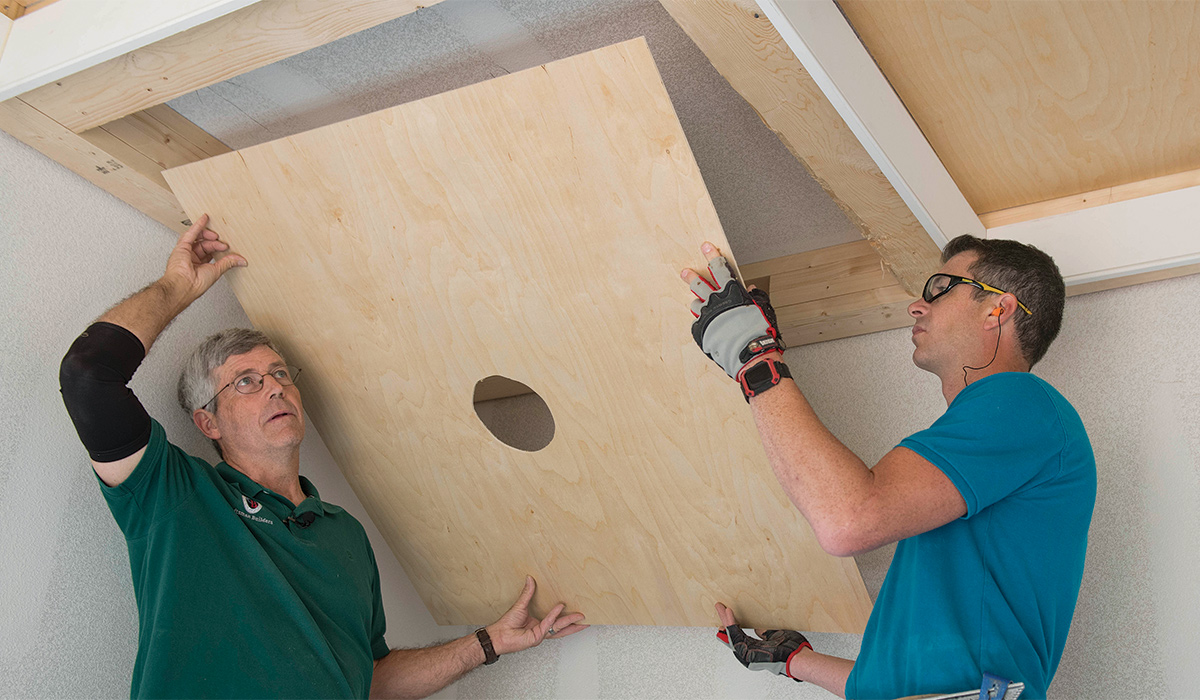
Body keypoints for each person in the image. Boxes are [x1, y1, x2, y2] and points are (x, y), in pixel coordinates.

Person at [59, 215, 586, 699]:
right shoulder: (175, 496)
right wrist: (177, 287)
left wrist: (487, 643)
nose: (274, 389)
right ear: (208, 421)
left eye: (281, 374)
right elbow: (88, 377)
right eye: (247, 381)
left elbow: (369, 679)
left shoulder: (344, 534)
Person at [682, 236, 1095, 699]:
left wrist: (754, 355)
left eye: (940, 287)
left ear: (997, 309)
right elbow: (898, 686)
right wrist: (793, 662)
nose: (917, 307)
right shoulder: (978, 454)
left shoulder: (1022, 403)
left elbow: (847, 521)